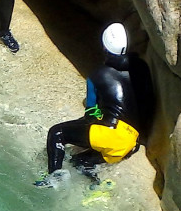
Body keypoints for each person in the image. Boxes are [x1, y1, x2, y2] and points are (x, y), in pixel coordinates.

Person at [37, 23, 154, 186]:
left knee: (56, 133)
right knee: (78, 161)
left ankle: (52, 178)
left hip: (110, 135)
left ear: (104, 47)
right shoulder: (142, 68)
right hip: (130, 142)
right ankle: (97, 185)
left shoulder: (97, 75)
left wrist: (78, 126)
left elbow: (90, 113)